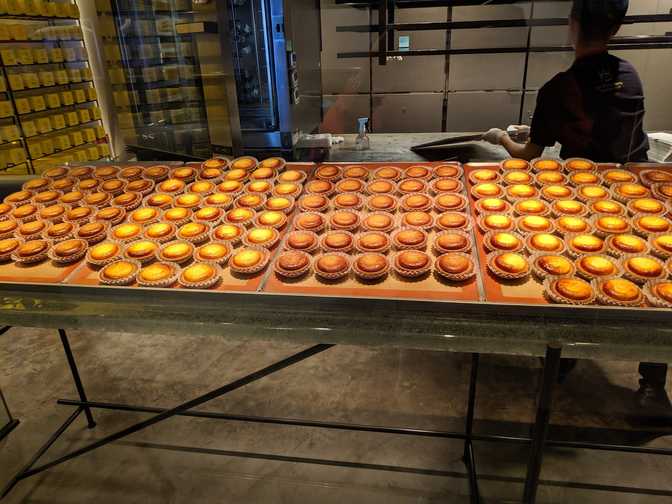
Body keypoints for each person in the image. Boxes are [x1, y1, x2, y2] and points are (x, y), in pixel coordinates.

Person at [483, 0, 669, 416]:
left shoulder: (558, 88)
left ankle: (564, 352)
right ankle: (653, 388)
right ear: (616, 28)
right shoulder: (630, 77)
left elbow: (527, 155)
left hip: (579, 198)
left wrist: (500, 139)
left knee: (571, 266)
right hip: (633, 194)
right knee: (654, 277)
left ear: (573, 25)